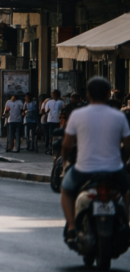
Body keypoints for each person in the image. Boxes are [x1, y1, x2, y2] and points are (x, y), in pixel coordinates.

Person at [60, 77, 130, 243]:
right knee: (126, 191)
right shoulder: (119, 116)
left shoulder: (77, 115)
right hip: (114, 169)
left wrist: (65, 162)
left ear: (88, 94)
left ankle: (71, 227)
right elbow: (128, 147)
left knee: (66, 191)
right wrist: (123, 161)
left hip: (84, 169)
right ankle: (126, 222)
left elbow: (67, 146)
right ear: (108, 94)